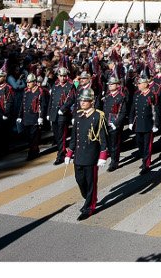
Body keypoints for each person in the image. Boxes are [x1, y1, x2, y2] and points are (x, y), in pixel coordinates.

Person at [65, 88, 108, 221]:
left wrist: (102, 156)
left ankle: (89, 207)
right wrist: (69, 153)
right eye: (81, 100)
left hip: (91, 155)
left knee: (90, 183)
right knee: (80, 180)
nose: (82, 103)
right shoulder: (78, 115)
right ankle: (90, 198)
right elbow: (74, 137)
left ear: (91, 101)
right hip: (78, 155)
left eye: (85, 101)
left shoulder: (98, 116)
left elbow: (103, 138)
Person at [128, 72, 158, 174]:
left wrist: (155, 124)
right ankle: (143, 159)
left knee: (147, 145)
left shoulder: (152, 95)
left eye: (140, 84)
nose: (138, 85)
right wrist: (131, 121)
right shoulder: (137, 95)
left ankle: (146, 164)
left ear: (145, 84)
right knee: (139, 143)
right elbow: (132, 109)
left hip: (148, 123)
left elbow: (155, 110)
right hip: (138, 123)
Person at [47, 67, 75, 165]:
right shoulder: (55, 86)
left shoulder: (70, 86)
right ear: (58, 76)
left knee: (61, 135)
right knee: (56, 134)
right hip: (54, 113)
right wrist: (48, 113)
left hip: (63, 113)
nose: (62, 78)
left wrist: (63, 109)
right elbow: (51, 100)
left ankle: (61, 155)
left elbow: (71, 99)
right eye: (61, 76)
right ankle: (63, 150)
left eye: (64, 76)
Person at [17, 73, 45, 160]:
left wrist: (41, 117)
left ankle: (32, 153)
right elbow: (23, 105)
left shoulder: (39, 92)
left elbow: (42, 105)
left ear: (34, 82)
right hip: (27, 117)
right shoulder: (26, 92)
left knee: (34, 137)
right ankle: (34, 150)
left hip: (34, 117)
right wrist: (19, 116)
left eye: (30, 82)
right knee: (29, 137)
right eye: (27, 82)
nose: (28, 84)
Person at [102, 75, 127, 171]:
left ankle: (114, 162)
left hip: (114, 123)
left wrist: (116, 124)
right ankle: (112, 157)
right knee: (108, 143)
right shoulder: (108, 96)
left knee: (114, 144)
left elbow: (122, 112)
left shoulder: (121, 97)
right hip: (106, 122)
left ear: (117, 85)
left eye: (112, 84)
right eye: (109, 84)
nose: (110, 85)